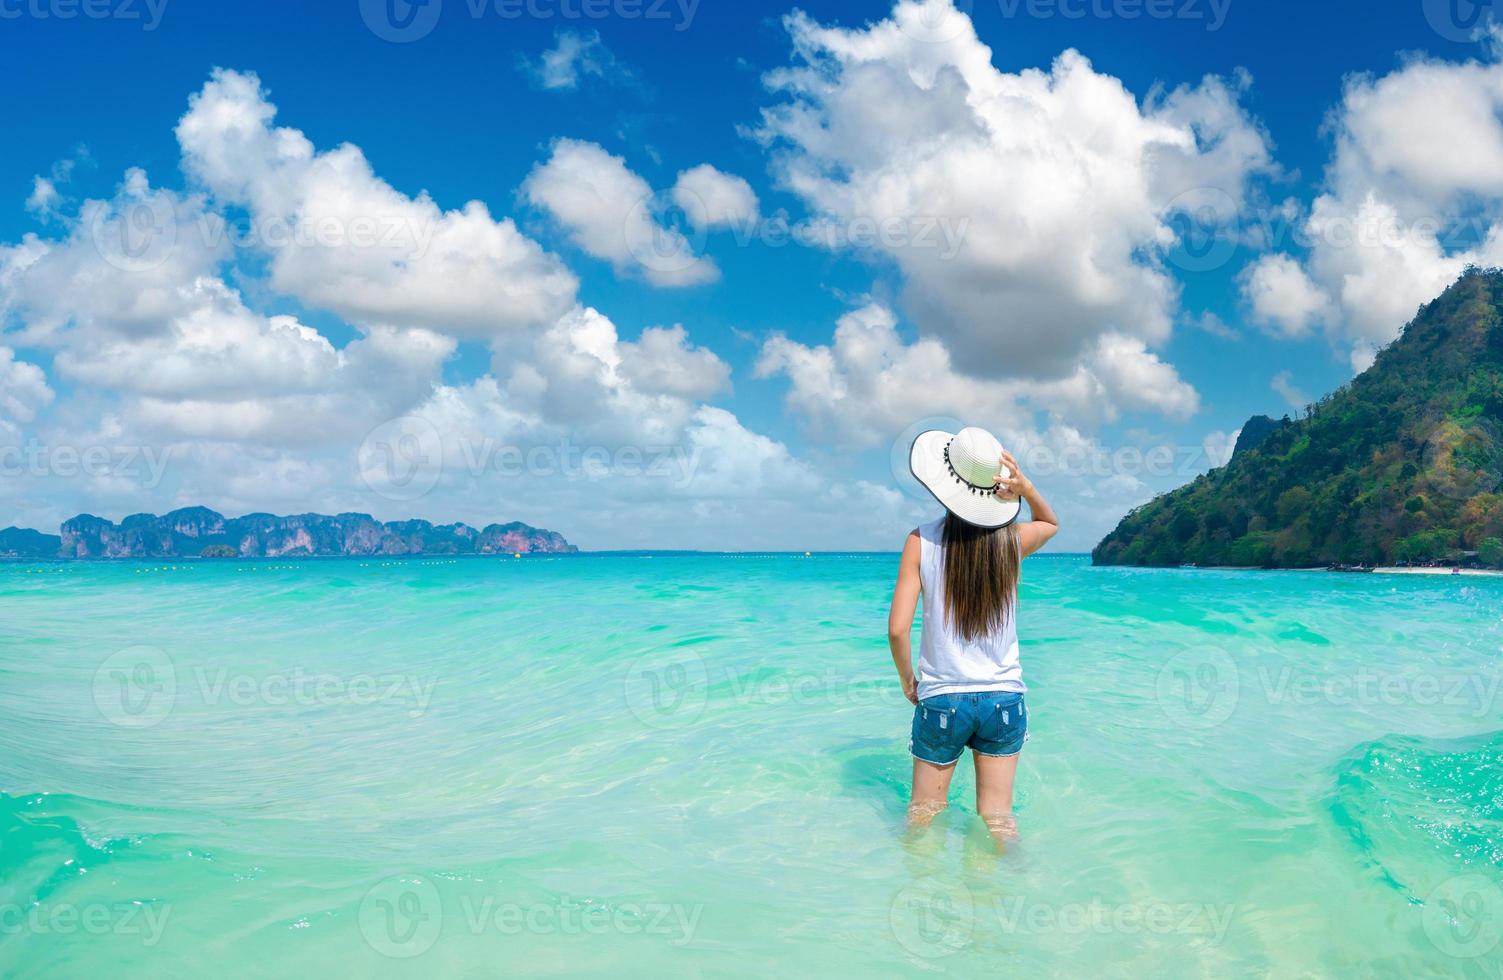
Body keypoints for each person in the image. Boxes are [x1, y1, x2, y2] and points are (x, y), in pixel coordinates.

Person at [888, 426, 1059, 847]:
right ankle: (1007, 891)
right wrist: (1026, 487)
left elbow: (896, 629)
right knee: (999, 818)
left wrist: (908, 680)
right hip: (1004, 697)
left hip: (942, 697)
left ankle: (917, 895)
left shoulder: (920, 541)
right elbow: (1050, 523)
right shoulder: (1010, 543)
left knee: (924, 815)